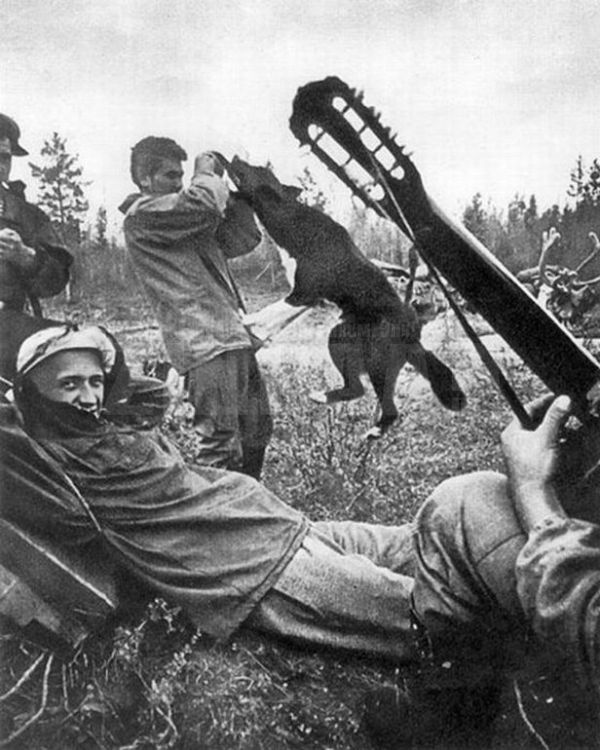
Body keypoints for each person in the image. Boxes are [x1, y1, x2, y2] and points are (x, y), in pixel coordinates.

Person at [6, 326, 600, 747]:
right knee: (434, 619)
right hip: (251, 573)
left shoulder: (109, 423)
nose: (88, 397)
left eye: (94, 381)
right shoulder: (46, 460)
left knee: (428, 535)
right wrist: (19, 406)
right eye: (68, 385)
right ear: (30, 394)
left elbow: (149, 396)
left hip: (279, 527)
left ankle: (552, 571)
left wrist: (104, 378)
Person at [119, 138, 271, 479]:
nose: (179, 183)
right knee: (220, 446)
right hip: (203, 343)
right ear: (144, 179)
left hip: (232, 336)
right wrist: (206, 172)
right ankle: (211, 511)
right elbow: (203, 204)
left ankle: (250, 505)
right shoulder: (142, 215)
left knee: (256, 434)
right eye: (170, 175)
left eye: (181, 175)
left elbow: (243, 239)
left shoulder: (183, 221)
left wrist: (240, 198)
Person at [0, 113, 72, 389]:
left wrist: (27, 257)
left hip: (8, 333)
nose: (0, 166)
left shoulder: (27, 216)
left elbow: (56, 280)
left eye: (4, 158)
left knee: (90, 352)